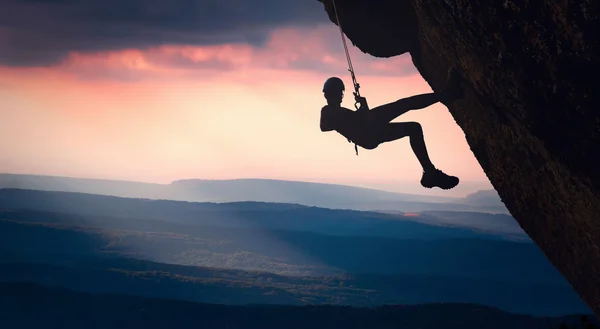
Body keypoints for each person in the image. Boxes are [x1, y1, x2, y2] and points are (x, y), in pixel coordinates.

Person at [319, 69, 464, 190]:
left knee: (413, 126)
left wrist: (363, 106)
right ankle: (448, 94)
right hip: (368, 133)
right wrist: (360, 111)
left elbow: (358, 120)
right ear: (329, 94)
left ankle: (429, 172)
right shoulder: (328, 111)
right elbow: (324, 127)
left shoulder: (340, 112)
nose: (340, 96)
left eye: (340, 93)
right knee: (404, 105)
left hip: (369, 132)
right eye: (338, 93)